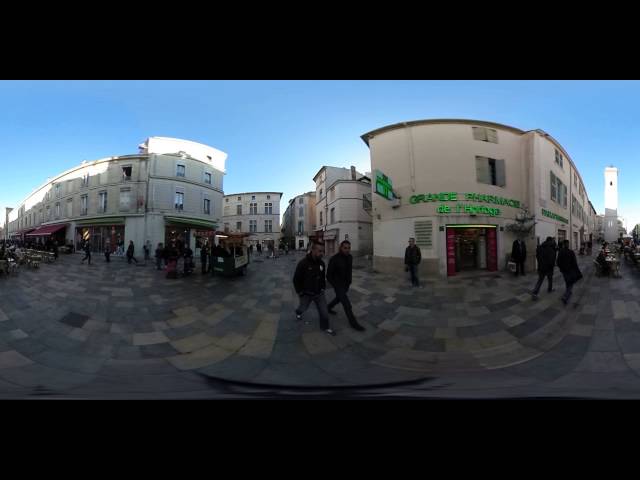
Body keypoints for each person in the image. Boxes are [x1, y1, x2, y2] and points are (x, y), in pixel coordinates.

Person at [293, 241, 336, 336]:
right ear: (312, 250)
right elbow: (296, 279)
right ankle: (298, 312)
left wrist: (323, 288)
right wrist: (300, 292)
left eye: (323, 251)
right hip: (306, 294)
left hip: (319, 293)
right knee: (303, 308)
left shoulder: (322, 263)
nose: (322, 253)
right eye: (319, 251)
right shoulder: (303, 263)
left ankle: (325, 327)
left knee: (324, 311)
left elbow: (322, 277)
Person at [327, 240, 365, 331]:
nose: (347, 250)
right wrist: (335, 285)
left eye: (349, 248)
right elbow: (328, 275)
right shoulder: (334, 259)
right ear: (340, 248)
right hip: (338, 285)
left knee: (339, 298)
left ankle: (328, 307)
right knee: (347, 304)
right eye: (345, 248)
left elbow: (349, 270)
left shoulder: (350, 257)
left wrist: (349, 281)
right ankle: (353, 323)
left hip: (346, 284)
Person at [557, 239, 582, 305]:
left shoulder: (560, 252)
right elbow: (574, 262)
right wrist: (577, 270)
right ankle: (566, 296)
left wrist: (561, 268)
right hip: (570, 270)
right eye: (568, 243)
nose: (568, 244)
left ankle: (568, 292)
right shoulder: (571, 252)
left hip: (564, 271)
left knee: (567, 281)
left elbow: (558, 262)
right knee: (570, 283)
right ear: (567, 244)